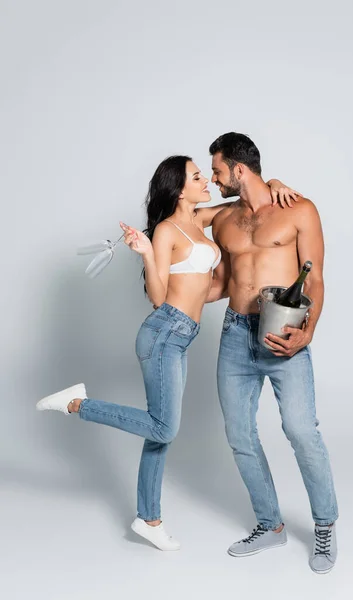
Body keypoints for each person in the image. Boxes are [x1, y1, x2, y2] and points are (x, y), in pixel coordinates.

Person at [36, 154, 298, 551]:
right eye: (197, 177)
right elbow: (158, 298)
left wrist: (274, 181)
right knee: (164, 427)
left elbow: (244, 200)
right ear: (178, 188)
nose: (206, 181)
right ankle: (76, 403)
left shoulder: (200, 219)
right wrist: (144, 251)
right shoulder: (166, 231)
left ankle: (149, 519)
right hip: (164, 332)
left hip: (182, 335)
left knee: (159, 431)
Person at [208, 132, 338, 574]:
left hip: (285, 335)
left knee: (302, 431)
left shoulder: (299, 210)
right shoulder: (225, 219)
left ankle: (324, 524)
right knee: (240, 435)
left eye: (217, 170)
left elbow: (315, 278)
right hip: (234, 334)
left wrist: (309, 331)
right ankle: (270, 525)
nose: (212, 179)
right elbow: (221, 282)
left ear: (238, 170)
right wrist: (169, 293)